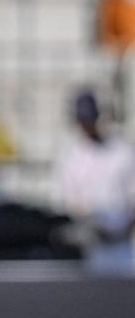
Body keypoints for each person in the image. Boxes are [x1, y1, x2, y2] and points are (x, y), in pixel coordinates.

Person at [51, 90, 135, 274]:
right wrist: (91, 225)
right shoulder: (70, 157)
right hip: (88, 251)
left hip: (123, 249)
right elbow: (66, 203)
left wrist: (121, 230)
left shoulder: (123, 151)